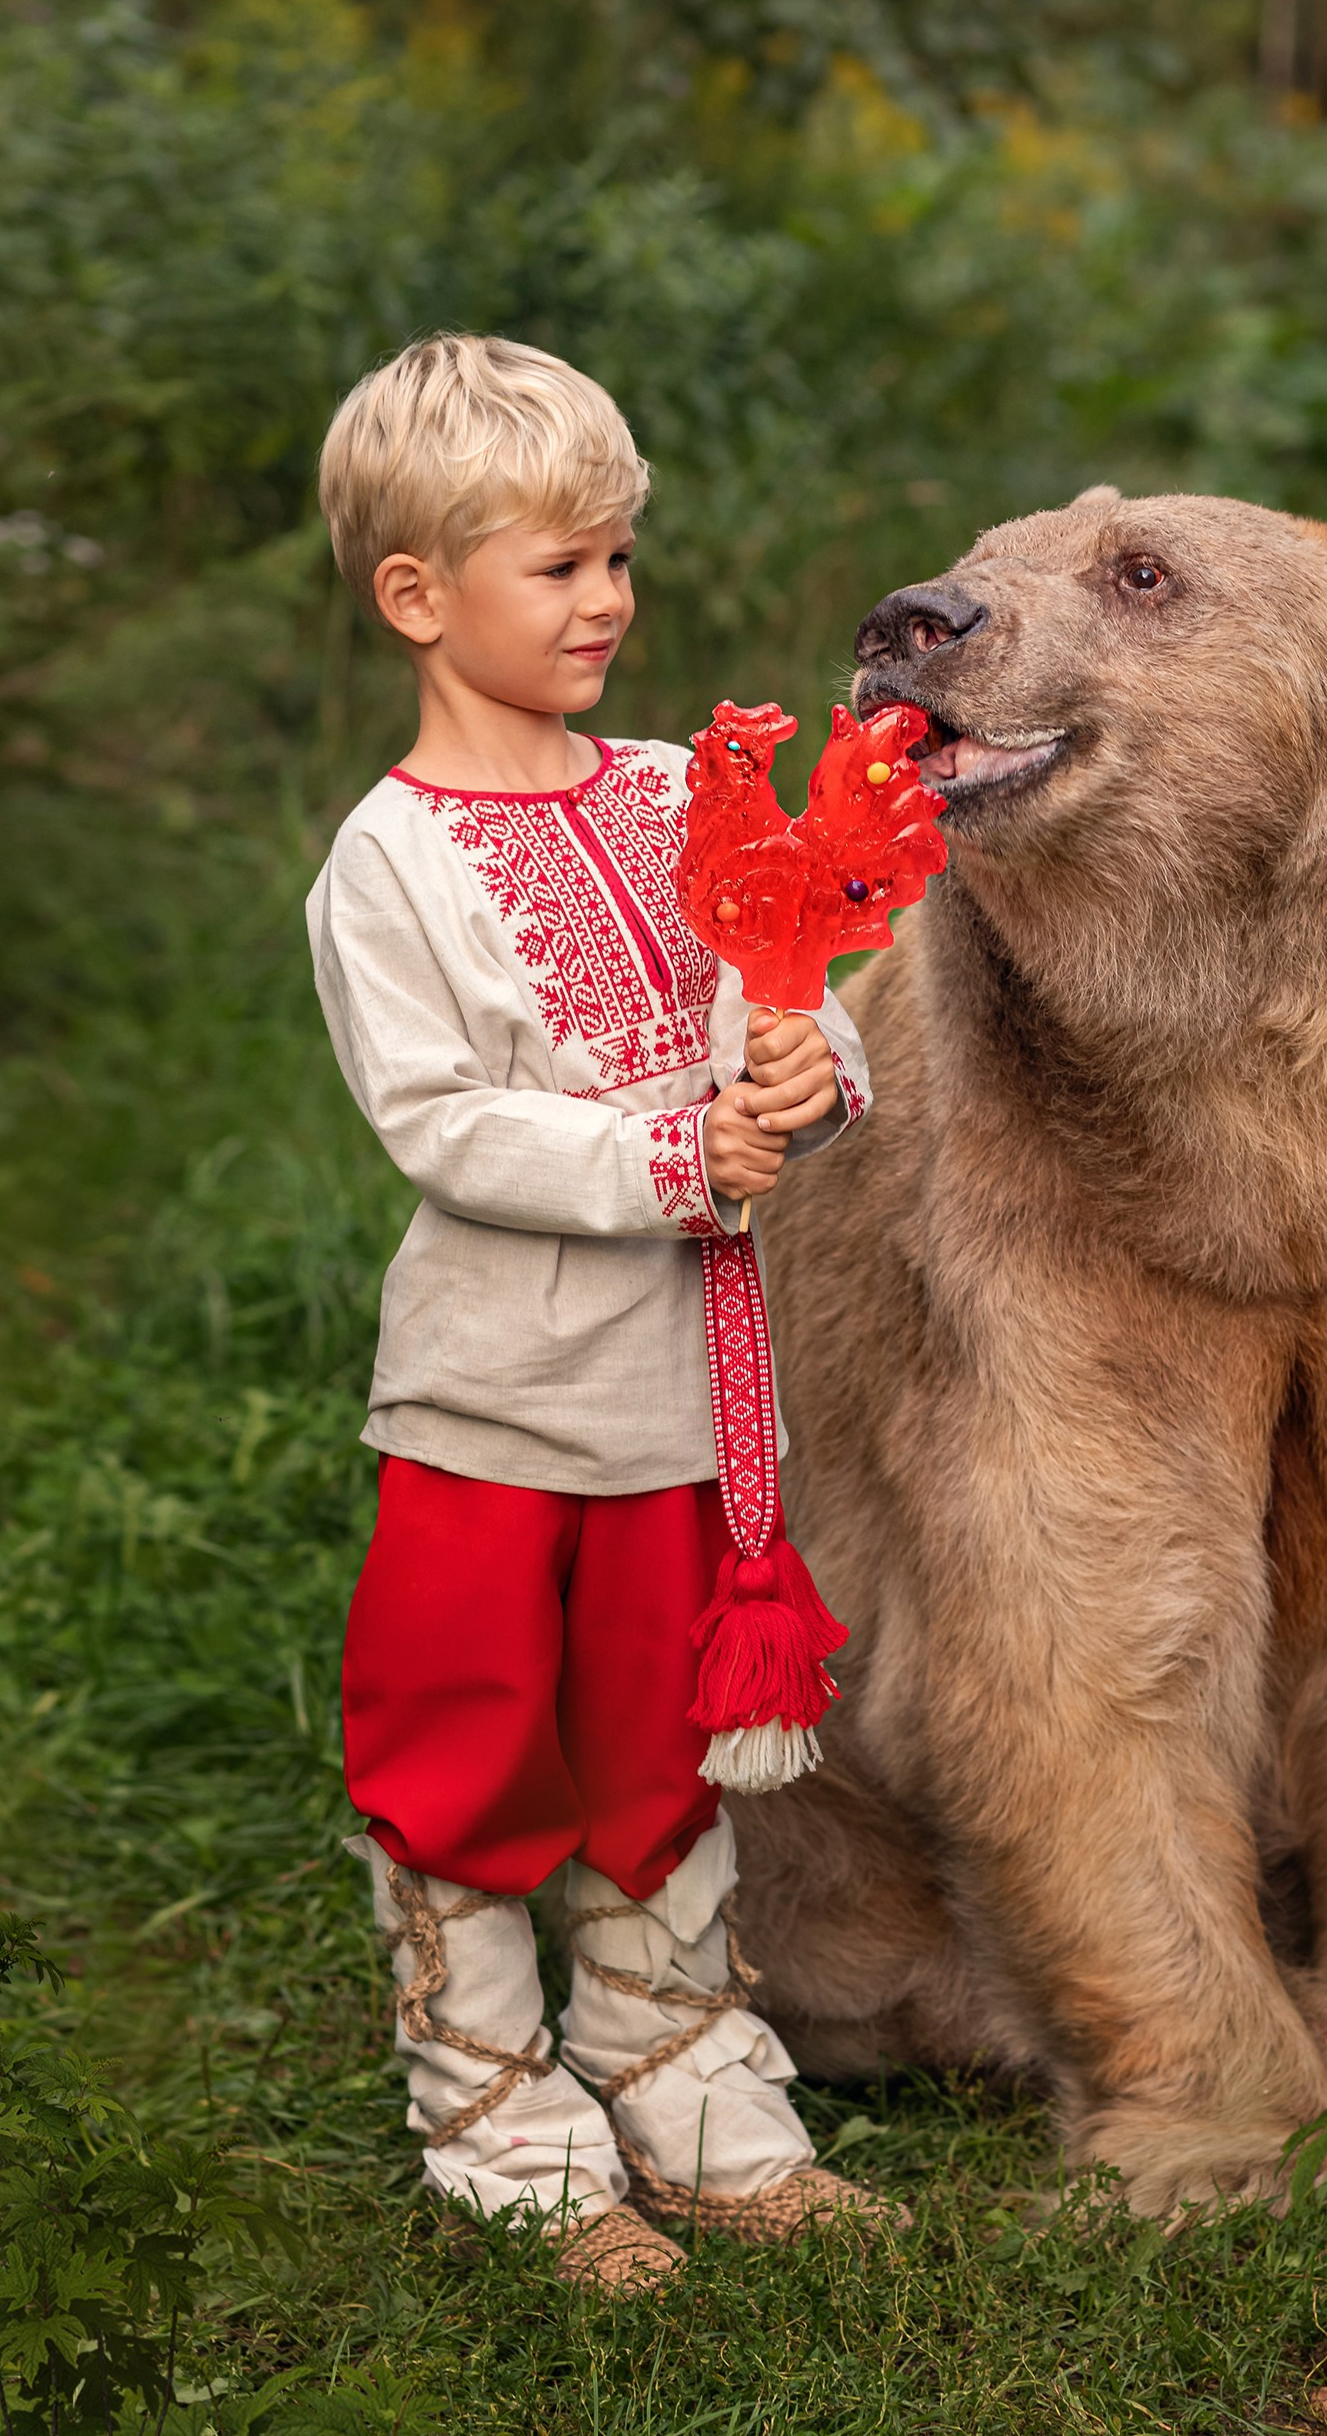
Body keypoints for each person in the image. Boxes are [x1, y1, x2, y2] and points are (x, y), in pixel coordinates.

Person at [307, 333, 893, 2296]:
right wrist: (672, 1156)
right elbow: (445, 1122)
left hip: (695, 1405)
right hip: (497, 1403)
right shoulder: (388, 862)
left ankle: (691, 2083)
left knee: (658, 1740)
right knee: (470, 1743)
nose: (610, 600)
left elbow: (775, 984)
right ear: (418, 595)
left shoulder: (673, 790)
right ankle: (499, 2119)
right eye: (558, 565)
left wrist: (813, 1074)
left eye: (619, 557)